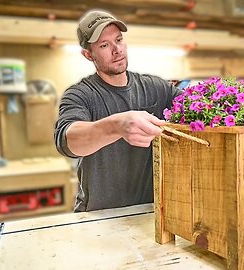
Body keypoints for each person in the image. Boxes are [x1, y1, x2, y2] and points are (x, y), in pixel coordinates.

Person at [54, 10, 181, 212]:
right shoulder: (80, 94)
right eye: (104, 45)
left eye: (119, 40)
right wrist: (117, 126)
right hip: (97, 217)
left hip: (149, 213)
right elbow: (68, 140)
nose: (117, 50)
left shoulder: (157, 88)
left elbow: (196, 106)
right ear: (88, 55)